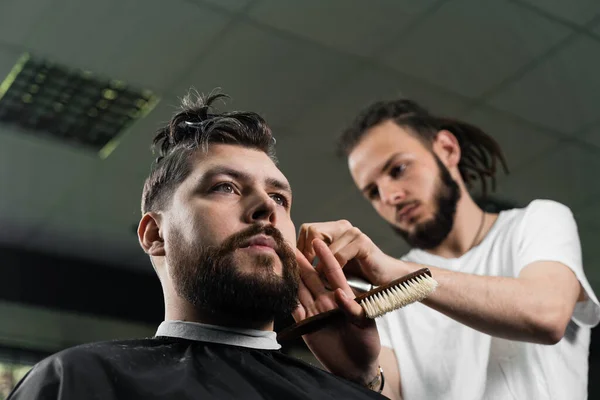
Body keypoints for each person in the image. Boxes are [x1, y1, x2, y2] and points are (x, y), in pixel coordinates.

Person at [7, 93, 395, 400]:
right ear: (155, 235)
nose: (265, 207)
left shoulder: (352, 391)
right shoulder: (79, 381)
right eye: (224, 187)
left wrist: (361, 383)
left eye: (279, 198)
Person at [297, 99, 600, 399]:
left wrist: (397, 275)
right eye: (373, 192)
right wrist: (361, 375)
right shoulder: (382, 290)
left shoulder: (536, 222)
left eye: (398, 169)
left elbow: (546, 315)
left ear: (447, 149)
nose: (390, 195)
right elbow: (390, 392)